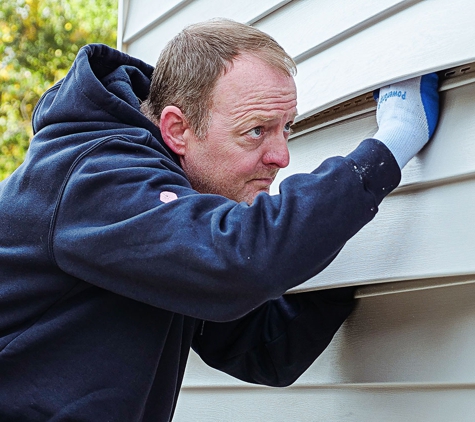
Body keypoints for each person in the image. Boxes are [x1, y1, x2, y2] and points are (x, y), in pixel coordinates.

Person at [0, 19, 439, 421]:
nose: (281, 156)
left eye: (286, 127)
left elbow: (266, 346)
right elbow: (239, 259)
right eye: (255, 130)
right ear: (177, 129)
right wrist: (393, 143)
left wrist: (364, 246)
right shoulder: (96, 176)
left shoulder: (163, 216)